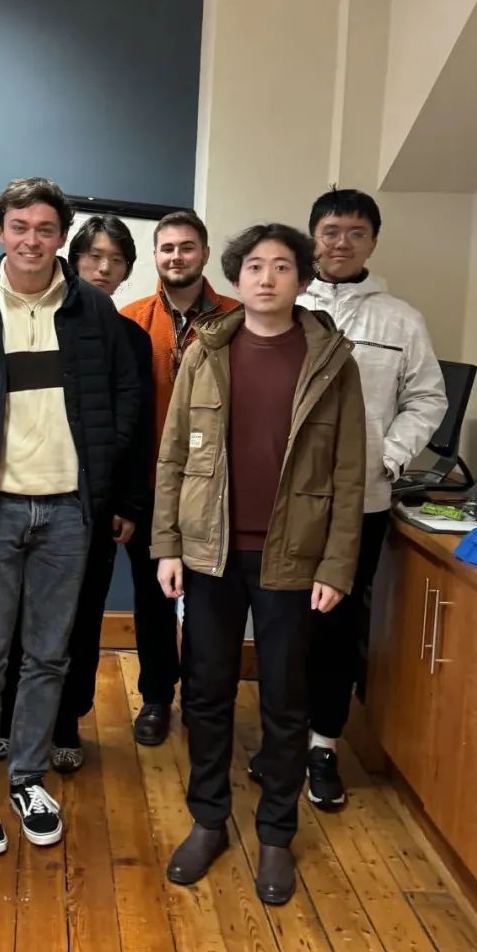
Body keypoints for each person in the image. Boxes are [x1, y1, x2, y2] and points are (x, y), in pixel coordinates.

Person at [152, 222, 365, 906]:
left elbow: (350, 472)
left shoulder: (332, 360)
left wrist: (336, 564)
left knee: (284, 697)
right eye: (254, 267)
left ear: (302, 279)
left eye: (281, 267)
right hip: (210, 551)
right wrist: (167, 544)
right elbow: (173, 457)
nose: (266, 278)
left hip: (293, 558)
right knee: (206, 691)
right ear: (236, 278)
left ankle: (276, 831)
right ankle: (208, 819)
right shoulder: (206, 351)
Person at [0, 177, 140, 856]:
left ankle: (26, 777)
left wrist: (101, 481)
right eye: (19, 227)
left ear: (61, 237)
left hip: (69, 512)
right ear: (0, 231)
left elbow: (125, 397)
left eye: (45, 229)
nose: (31, 240)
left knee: (49, 656)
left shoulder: (92, 311)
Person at [295, 187, 446, 809]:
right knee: (283, 620)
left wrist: (388, 456)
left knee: (337, 625)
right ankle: (282, 736)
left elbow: (427, 398)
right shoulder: (286, 303)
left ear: (373, 242)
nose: (342, 243)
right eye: (331, 231)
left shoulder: (401, 319)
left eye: (356, 233)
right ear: (313, 237)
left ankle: (323, 745)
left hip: (363, 503)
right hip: (287, 502)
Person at [0, 215, 153, 772]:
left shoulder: (131, 337)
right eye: (94, 257)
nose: (104, 268)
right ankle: (7, 722)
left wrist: (127, 502)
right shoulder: (34, 320)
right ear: (74, 258)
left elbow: (137, 424)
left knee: (81, 618)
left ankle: (66, 721)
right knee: (15, 616)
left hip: (95, 502)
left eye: (117, 260)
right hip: (25, 492)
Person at [120, 210, 237, 746]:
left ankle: (203, 700)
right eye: (167, 248)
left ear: (205, 253)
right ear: (155, 255)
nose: (176, 257)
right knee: (152, 600)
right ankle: (156, 697)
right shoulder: (131, 319)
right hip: (151, 487)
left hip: (217, 490)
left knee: (213, 604)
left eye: (187, 247)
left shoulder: (237, 318)